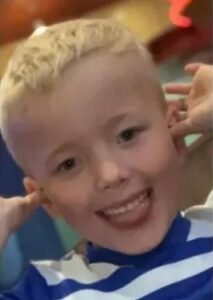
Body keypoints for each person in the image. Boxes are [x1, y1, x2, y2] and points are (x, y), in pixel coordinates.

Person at [0, 19, 212, 299]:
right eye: (68, 164)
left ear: (175, 136)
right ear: (45, 198)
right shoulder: (48, 292)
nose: (109, 175)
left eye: (127, 135)